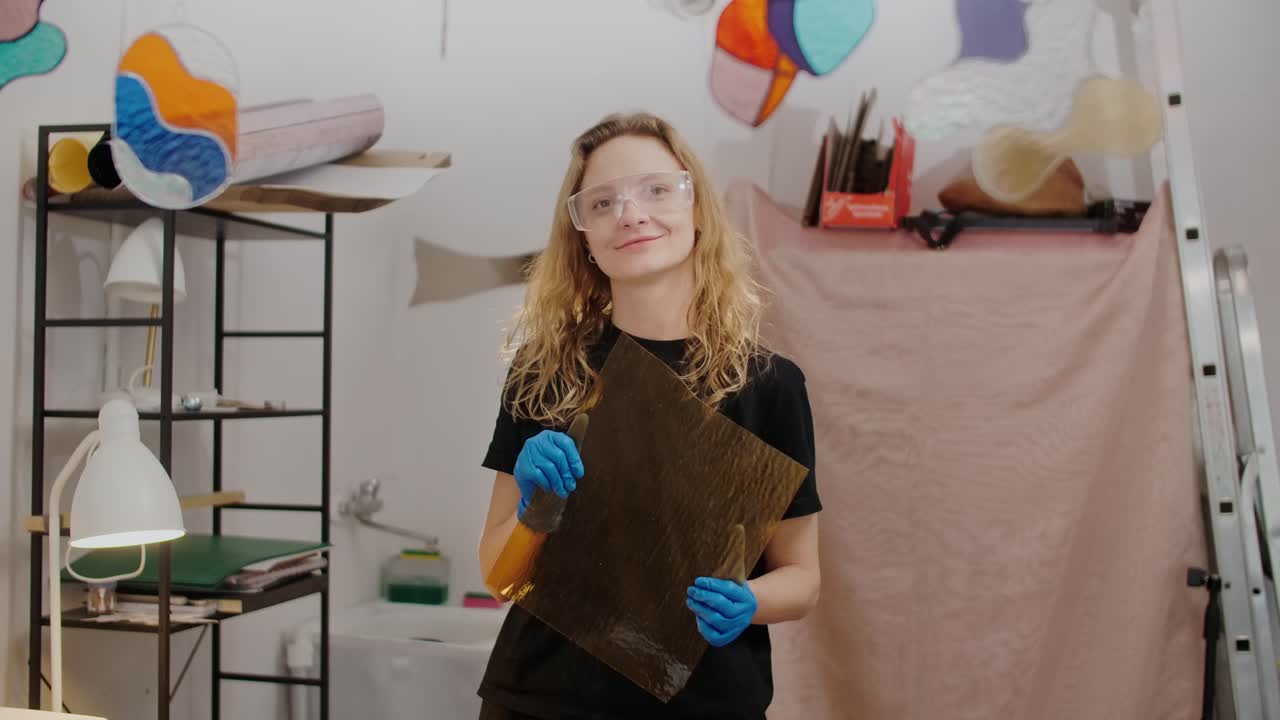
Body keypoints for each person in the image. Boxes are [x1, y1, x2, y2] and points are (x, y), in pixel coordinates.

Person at [476, 111, 822, 719]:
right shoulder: (545, 374)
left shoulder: (767, 386)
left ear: (697, 208)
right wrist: (534, 510)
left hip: (706, 706)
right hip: (541, 703)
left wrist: (750, 601)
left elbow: (802, 578)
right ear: (583, 236)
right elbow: (501, 578)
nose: (631, 214)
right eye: (603, 202)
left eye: (657, 190)